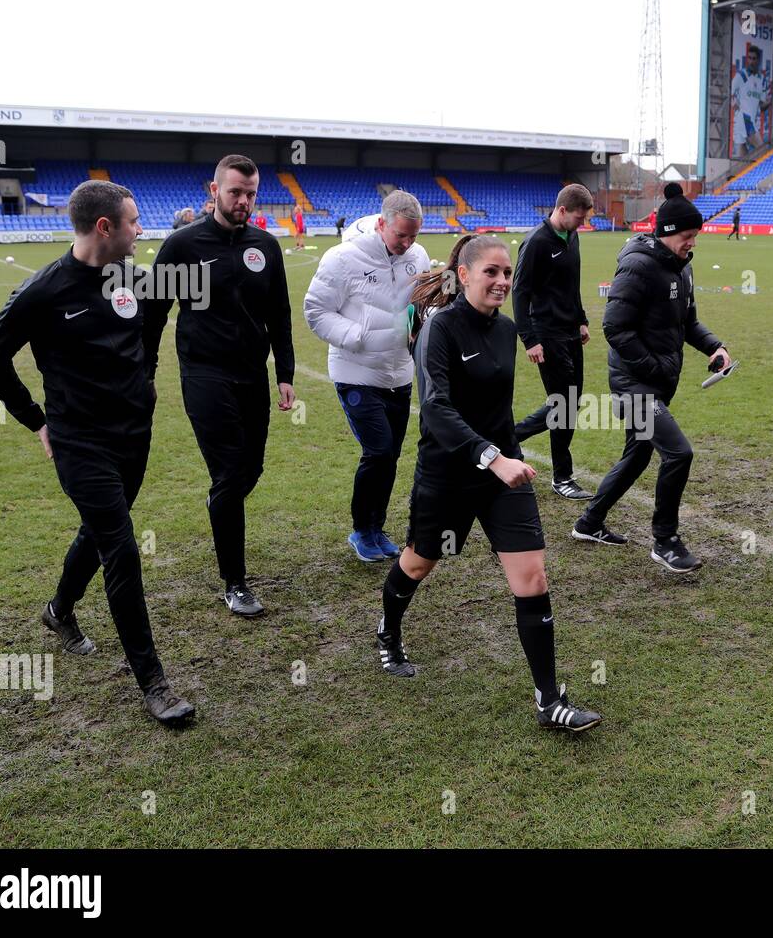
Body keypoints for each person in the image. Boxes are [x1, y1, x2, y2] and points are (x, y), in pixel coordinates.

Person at [0, 180, 194, 725]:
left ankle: (58, 611)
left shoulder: (135, 280)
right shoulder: (44, 290)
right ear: (105, 227)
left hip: (133, 436)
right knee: (121, 549)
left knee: (100, 533)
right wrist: (37, 421)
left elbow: (148, 332)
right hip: (79, 442)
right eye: (134, 221)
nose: (141, 230)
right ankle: (155, 684)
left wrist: (145, 381)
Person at [379, 233, 602, 732]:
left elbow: (494, 412)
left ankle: (549, 700)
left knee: (533, 578)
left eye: (507, 274)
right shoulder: (440, 329)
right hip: (449, 474)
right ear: (464, 275)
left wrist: (525, 430)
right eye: (492, 273)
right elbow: (436, 408)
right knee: (418, 563)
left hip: (504, 473)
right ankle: (389, 632)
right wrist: (487, 455)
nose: (503, 282)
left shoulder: (506, 332)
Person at [143, 154, 296, 617]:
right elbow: (153, 314)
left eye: (251, 193)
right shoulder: (183, 245)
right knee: (231, 473)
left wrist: (284, 373)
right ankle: (236, 582)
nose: (244, 201)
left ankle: (220, 502)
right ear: (215, 190)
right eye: (235, 192)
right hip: (204, 373)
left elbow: (280, 316)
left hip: (252, 374)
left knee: (250, 472)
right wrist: (144, 373)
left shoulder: (265, 246)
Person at [571, 183, 730, 573]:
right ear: (667, 231)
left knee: (638, 455)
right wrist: (653, 367)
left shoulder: (683, 267)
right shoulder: (639, 265)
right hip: (633, 385)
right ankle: (665, 540)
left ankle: (589, 522)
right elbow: (614, 327)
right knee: (679, 453)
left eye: (695, 237)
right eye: (687, 236)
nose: (692, 244)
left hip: (656, 382)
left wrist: (715, 347)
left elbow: (687, 322)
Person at [304, 190, 429, 562]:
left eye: (413, 236)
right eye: (400, 236)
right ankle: (361, 530)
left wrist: (424, 322)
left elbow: (417, 308)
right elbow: (315, 310)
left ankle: (376, 528)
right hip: (356, 373)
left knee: (389, 455)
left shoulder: (418, 256)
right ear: (381, 224)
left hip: (399, 373)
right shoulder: (342, 259)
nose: (407, 244)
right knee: (377, 451)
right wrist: (356, 337)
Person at [510, 183, 595, 501]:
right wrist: (529, 339)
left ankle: (509, 437)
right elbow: (520, 292)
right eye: (578, 217)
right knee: (563, 404)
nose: (582, 224)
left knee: (570, 404)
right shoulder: (536, 242)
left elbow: (571, 285)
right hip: (546, 333)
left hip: (571, 331)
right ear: (561, 211)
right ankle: (561, 476)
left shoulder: (573, 237)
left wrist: (582, 319)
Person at [731, 44, 770, 158]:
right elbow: (730, 91)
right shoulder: (741, 75)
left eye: (754, 58)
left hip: (749, 121)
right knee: (763, 151)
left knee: (743, 163)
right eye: (749, 58)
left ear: (758, 60)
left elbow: (762, 107)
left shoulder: (761, 79)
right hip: (744, 119)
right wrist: (733, 103)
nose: (751, 61)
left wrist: (769, 101)